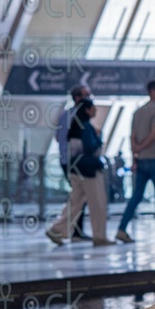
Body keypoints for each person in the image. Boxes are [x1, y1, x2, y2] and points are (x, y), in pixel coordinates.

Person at [46, 99, 113, 245]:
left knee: (75, 202)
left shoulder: (74, 126)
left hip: (75, 169)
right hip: (89, 171)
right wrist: (98, 138)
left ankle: (57, 229)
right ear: (87, 110)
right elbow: (90, 148)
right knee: (98, 203)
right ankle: (100, 236)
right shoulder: (87, 127)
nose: (95, 110)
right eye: (93, 108)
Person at [116, 79, 155, 243]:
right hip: (154, 158)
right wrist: (140, 148)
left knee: (136, 196)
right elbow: (153, 135)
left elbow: (132, 137)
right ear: (153, 91)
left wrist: (135, 156)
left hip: (141, 161)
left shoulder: (137, 112)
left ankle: (121, 229)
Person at [55, 85, 91, 239]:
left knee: (77, 196)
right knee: (78, 197)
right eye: (86, 95)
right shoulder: (78, 116)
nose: (89, 98)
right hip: (76, 162)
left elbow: (58, 137)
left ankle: (75, 230)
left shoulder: (64, 115)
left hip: (66, 160)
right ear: (77, 98)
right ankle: (68, 229)